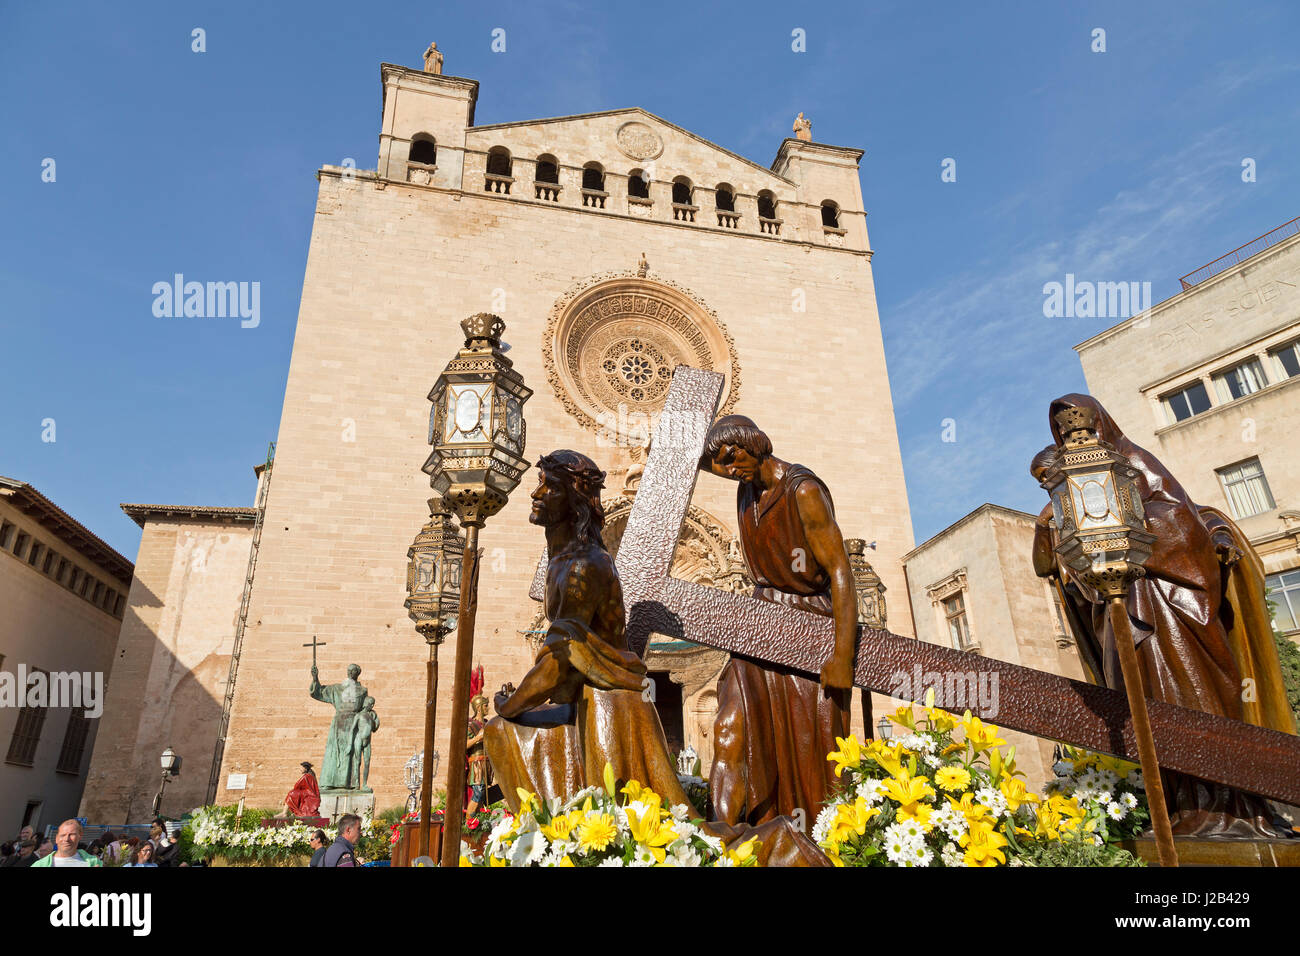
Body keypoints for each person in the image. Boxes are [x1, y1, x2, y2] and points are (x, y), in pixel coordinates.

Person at [1034, 393, 1297, 839]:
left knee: (1195, 700)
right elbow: (1054, 567)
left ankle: (1226, 807)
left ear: (1102, 423)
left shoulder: (1131, 460)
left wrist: (1125, 535)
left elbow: (1182, 517)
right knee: (1148, 712)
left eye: (1082, 427)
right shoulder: (1066, 495)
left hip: (1172, 609)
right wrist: (1050, 528)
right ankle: (1179, 808)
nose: (1074, 438)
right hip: (1121, 617)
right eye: (1063, 432)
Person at [698, 415, 857, 826]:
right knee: (731, 724)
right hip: (759, 625)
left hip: (808, 628)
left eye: (733, 458)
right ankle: (725, 834)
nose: (730, 470)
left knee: (811, 754)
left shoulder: (802, 490)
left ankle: (813, 839)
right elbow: (704, 460)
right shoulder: (745, 488)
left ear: (754, 443)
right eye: (721, 465)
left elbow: (840, 569)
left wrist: (841, 657)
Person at [32, 820, 102, 867]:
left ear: (80, 836)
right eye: (62, 835)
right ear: (56, 838)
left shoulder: (94, 863)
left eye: (72, 835)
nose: (66, 839)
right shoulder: (40, 865)